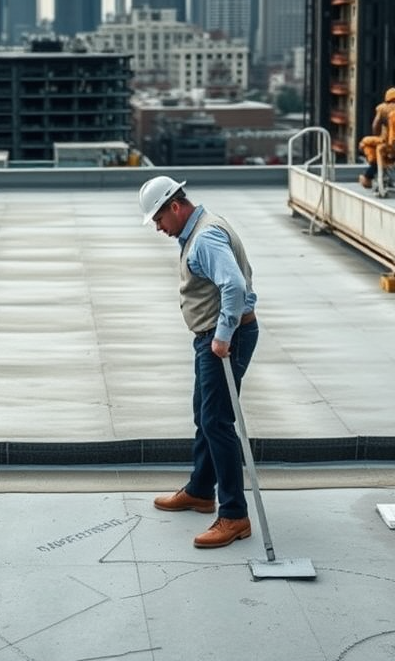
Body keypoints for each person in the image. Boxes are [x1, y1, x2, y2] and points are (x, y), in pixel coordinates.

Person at [138, 176, 259, 548]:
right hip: (212, 338)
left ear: (175, 206)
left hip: (224, 340)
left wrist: (222, 337)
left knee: (217, 422)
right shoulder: (201, 229)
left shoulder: (205, 237)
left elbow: (234, 286)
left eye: (159, 219)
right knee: (204, 414)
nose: (158, 228)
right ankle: (201, 490)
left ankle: (235, 516)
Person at [358, 87, 395, 189]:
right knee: (379, 148)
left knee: (364, 144)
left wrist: (377, 135)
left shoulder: (383, 109)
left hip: (390, 146)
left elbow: (375, 126)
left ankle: (369, 177)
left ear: (387, 99)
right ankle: (371, 175)